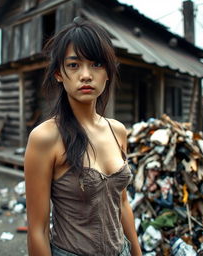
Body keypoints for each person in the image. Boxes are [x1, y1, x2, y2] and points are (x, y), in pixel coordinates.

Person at [24, 17, 142, 256]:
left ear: (108, 72)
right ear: (59, 73)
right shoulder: (45, 138)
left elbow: (122, 203)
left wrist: (137, 253)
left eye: (96, 64)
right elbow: (38, 230)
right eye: (74, 65)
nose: (86, 75)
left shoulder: (117, 130)